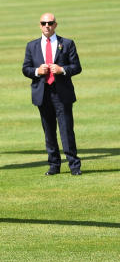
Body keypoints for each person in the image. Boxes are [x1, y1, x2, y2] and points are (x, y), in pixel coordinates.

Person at [22, 13, 82, 175]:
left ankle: (74, 166)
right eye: (43, 23)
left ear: (55, 25)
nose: (47, 26)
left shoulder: (67, 43)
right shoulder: (32, 46)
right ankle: (54, 165)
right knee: (49, 131)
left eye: (50, 23)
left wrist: (62, 70)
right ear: (40, 25)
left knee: (66, 130)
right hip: (42, 93)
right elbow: (25, 69)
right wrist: (37, 71)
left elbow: (76, 67)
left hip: (62, 93)